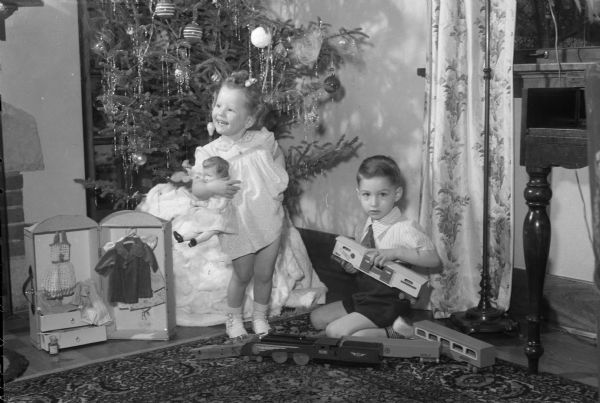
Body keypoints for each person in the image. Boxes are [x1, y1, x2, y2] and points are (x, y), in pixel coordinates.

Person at [188, 70, 292, 338]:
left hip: (267, 216)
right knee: (242, 274)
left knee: (265, 273)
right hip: (237, 223)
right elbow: (197, 189)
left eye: (230, 109)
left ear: (248, 119)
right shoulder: (209, 153)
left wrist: (278, 188)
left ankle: (260, 316)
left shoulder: (262, 141)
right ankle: (233, 319)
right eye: (218, 105)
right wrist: (212, 186)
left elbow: (277, 161)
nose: (220, 112)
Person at [310, 155, 441, 339]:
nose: (373, 202)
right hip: (365, 298)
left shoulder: (405, 228)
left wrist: (395, 252)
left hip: (388, 303)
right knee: (316, 318)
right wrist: (351, 267)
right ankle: (375, 327)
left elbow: (433, 259)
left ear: (397, 194)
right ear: (358, 194)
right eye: (367, 195)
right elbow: (363, 265)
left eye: (382, 194)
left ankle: (395, 331)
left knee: (334, 332)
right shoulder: (363, 225)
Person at [171, 156, 236, 247]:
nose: (205, 178)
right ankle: (183, 238)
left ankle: (196, 241)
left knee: (210, 231)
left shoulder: (223, 188)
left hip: (219, 216)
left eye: (209, 176)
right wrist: (197, 203)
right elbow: (207, 201)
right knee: (198, 228)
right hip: (210, 213)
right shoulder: (211, 187)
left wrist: (215, 207)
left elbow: (222, 204)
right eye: (205, 175)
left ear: (221, 177)